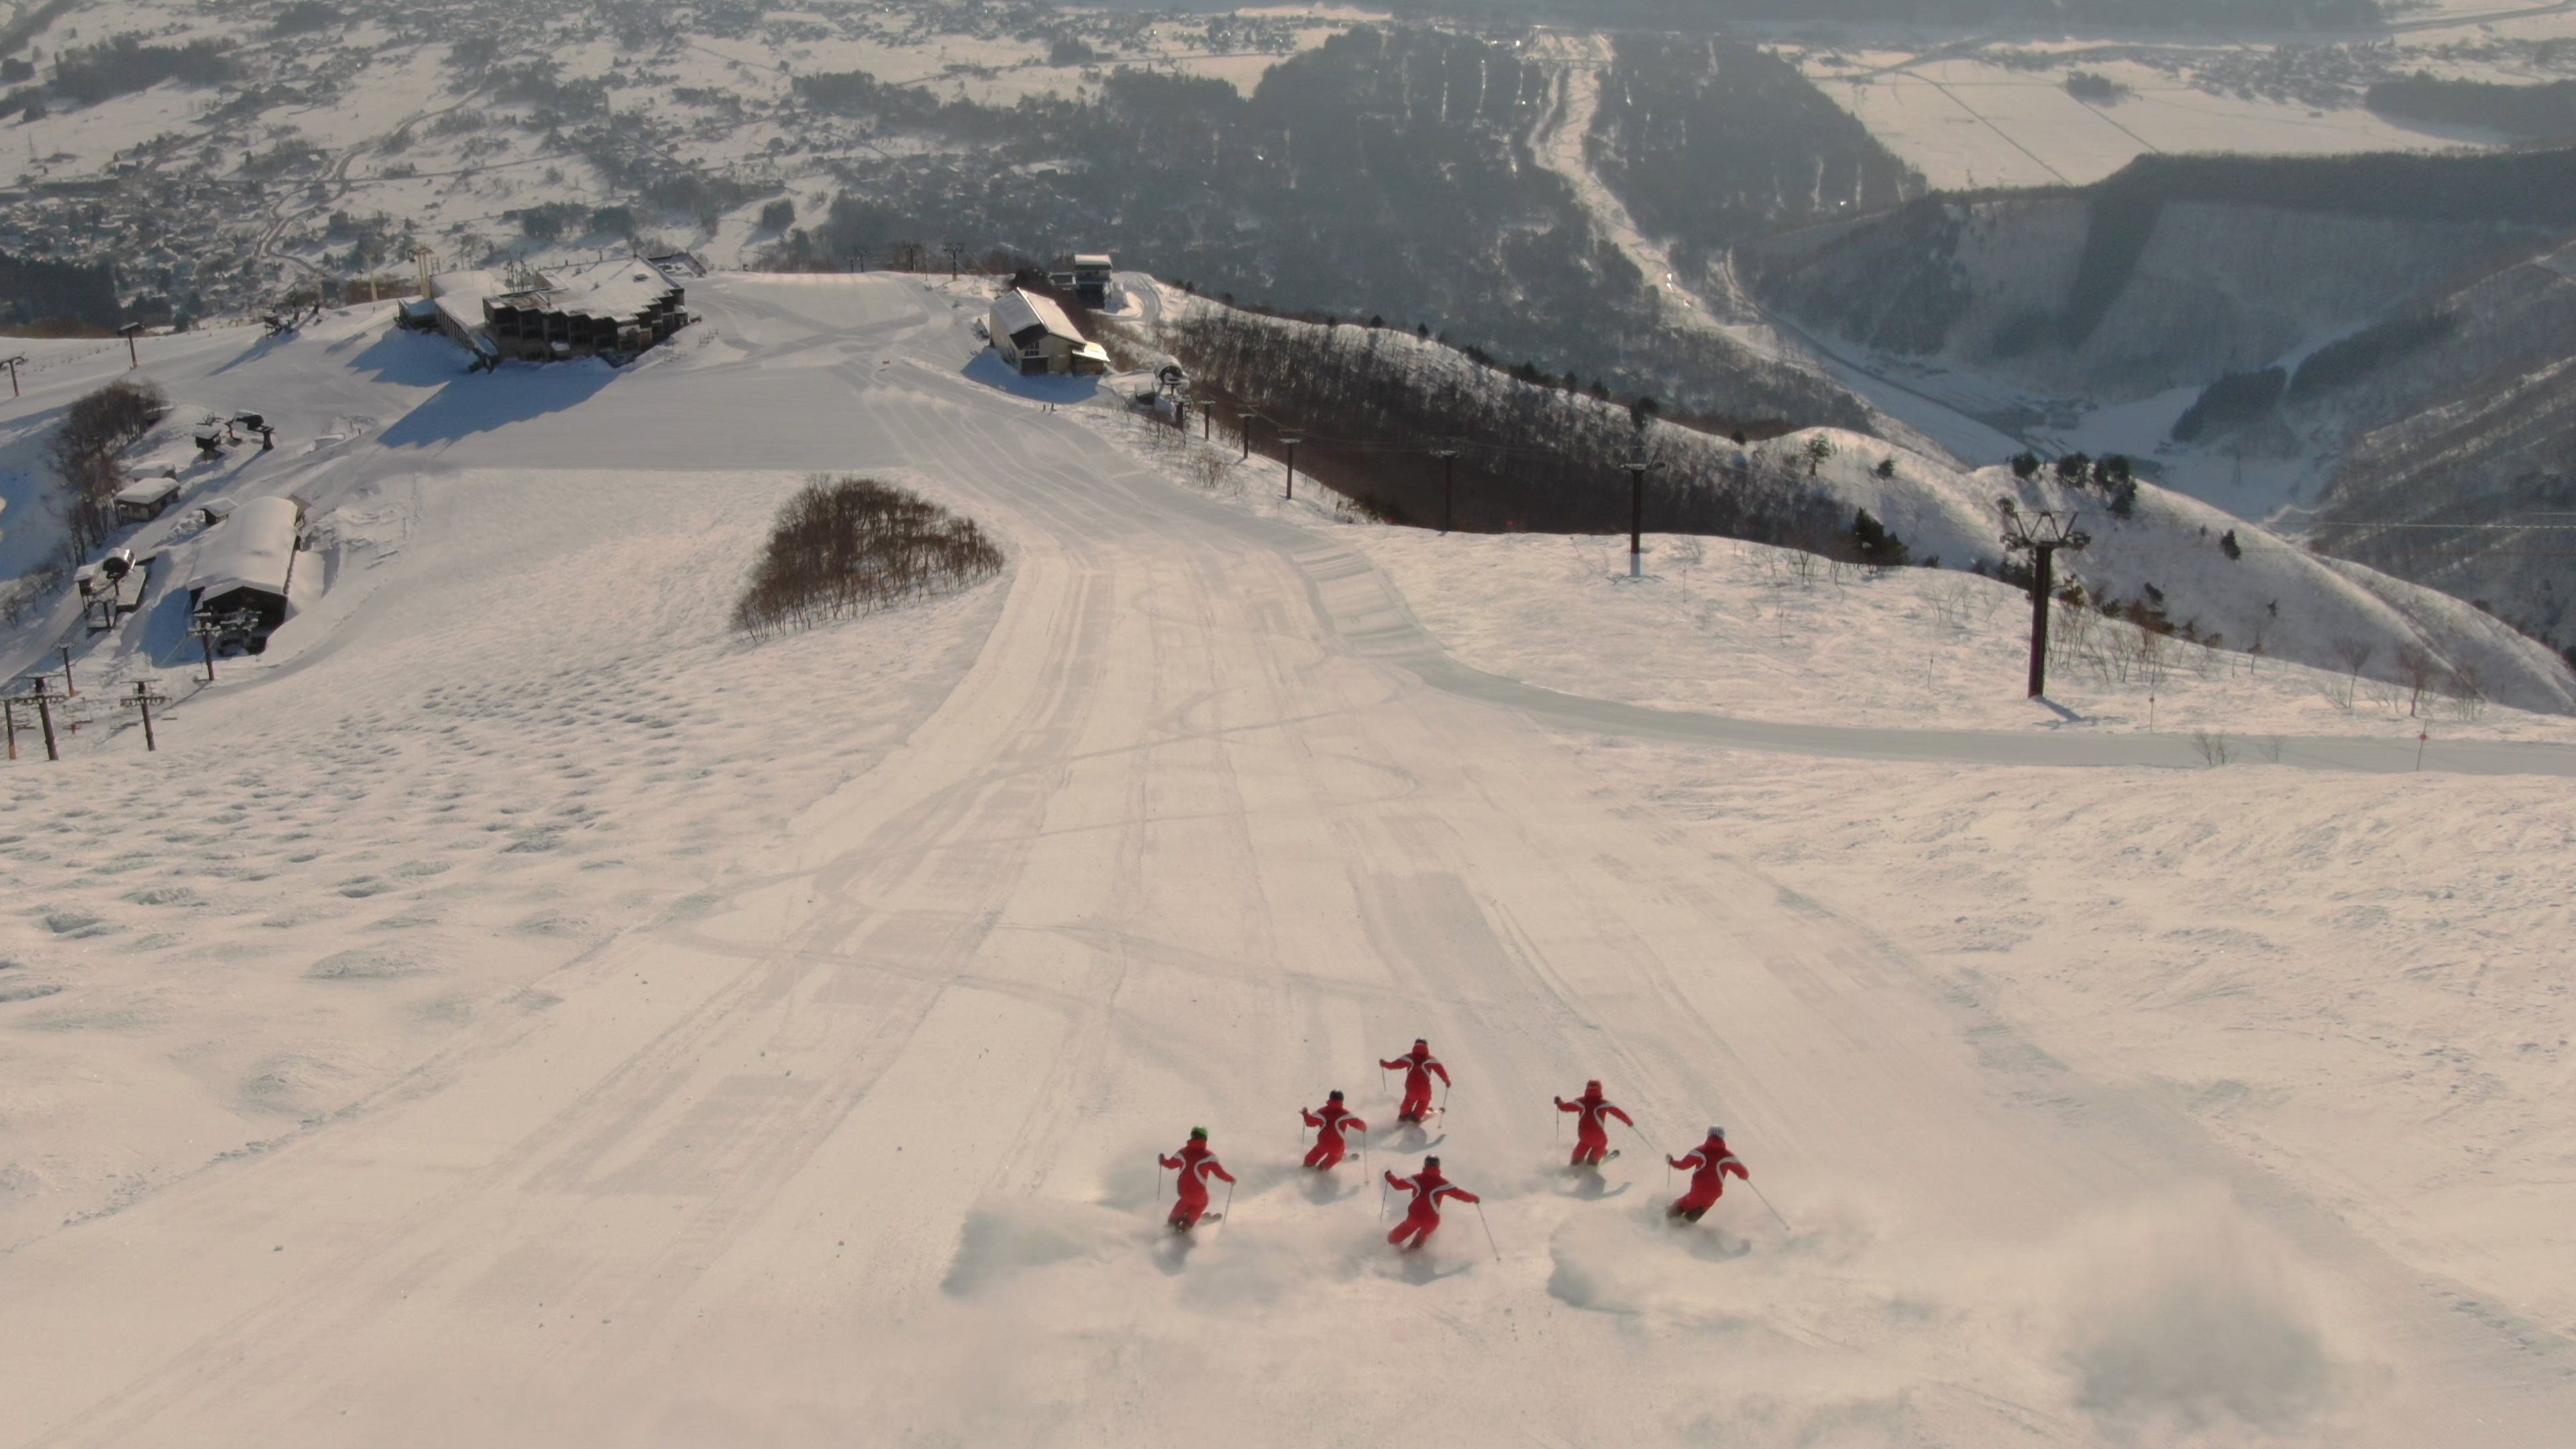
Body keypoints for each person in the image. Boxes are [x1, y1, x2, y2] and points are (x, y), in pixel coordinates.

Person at [1383, 1155, 1479, 1251]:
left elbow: (1398, 1185)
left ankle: (1391, 1251)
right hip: (1432, 1221)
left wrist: (1389, 1176)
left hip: (1415, 1217)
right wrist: (1475, 1198)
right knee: (1417, 1244)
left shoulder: (1417, 1179)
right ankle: (1412, 1256)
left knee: (1393, 1239)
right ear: (1438, 1166)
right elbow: (1461, 1195)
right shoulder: (1444, 1183)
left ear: (1425, 1165)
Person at [1665, 1126, 1748, 1223]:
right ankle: (1689, 1222)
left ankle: (1666, 1221)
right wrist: (1744, 1176)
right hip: (1714, 1194)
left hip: (1698, 1190)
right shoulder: (1729, 1156)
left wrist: (1671, 1162)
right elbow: (1744, 1173)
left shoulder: (1700, 1152)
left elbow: (1683, 1165)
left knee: (1679, 1208)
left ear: (1709, 1135)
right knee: (1697, 1211)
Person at [1159, 1127, 1236, 1232]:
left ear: (1192, 1136)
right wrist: (1231, 1179)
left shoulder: (1183, 1153)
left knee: (1185, 1202)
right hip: (1198, 1193)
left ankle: (1172, 1221)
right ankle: (1187, 1224)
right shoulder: (1209, 1156)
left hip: (1183, 1190)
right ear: (1205, 1139)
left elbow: (1170, 1165)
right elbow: (1220, 1173)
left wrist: (1162, 1160)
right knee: (1201, 1203)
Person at [1554, 1079, 1634, 1169]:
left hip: (1584, 1136)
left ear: (1587, 1089)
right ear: (1600, 1089)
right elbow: (1619, 1113)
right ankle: (1594, 1161)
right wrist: (1629, 1122)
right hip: (1598, 1138)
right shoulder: (1605, 1103)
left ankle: (1575, 1163)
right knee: (1597, 1152)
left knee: (1579, 1154)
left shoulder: (1580, 1102)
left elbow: (1564, 1107)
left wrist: (1559, 1102)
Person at [1379, 1038, 1450, 1124]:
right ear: (1426, 1047)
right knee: (1424, 1101)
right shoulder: (1431, 1059)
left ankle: (1403, 1116)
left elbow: (1394, 1065)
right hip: (1425, 1088)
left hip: (1412, 1087)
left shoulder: (1409, 1058)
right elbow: (1441, 1071)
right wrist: (1447, 1081)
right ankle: (1416, 1117)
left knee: (1409, 1100)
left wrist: (1384, 1064)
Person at [1302, 1089, 1367, 1171]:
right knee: (1333, 1159)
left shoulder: (1322, 1112)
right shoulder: (1345, 1114)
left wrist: (1305, 1114)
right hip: (1338, 1147)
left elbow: (1310, 1122)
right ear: (1342, 1101)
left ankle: (1307, 1166)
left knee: (1312, 1158)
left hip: (1323, 1144)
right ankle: (1322, 1169)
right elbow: (1360, 1124)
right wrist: (1364, 1127)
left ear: (1330, 1099)